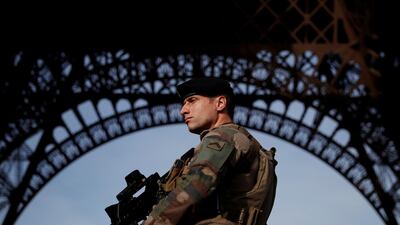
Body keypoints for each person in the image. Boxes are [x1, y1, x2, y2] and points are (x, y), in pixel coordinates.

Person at [143, 77, 277, 225]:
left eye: (192, 100)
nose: (183, 110)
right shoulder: (242, 140)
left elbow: (196, 183)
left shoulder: (224, 137)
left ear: (220, 103)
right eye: (183, 103)